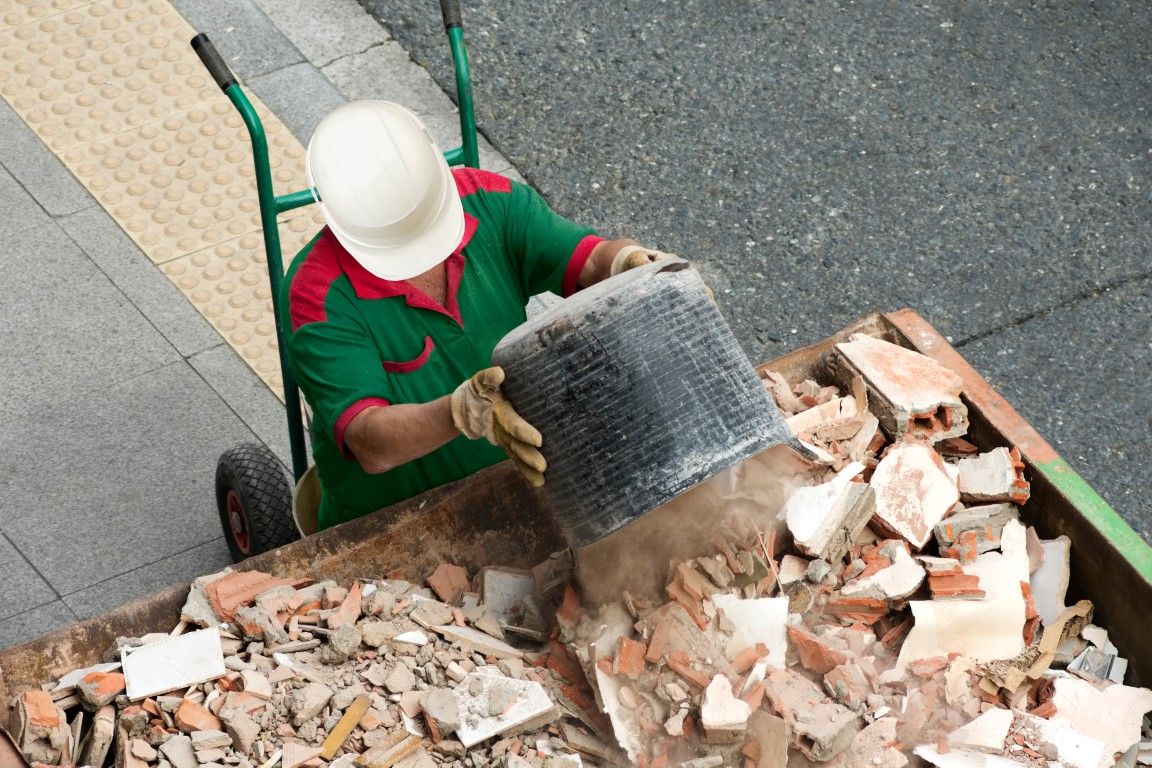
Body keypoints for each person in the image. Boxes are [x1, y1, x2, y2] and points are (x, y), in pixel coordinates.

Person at [280, 101, 676, 531]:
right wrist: (459, 412)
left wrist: (632, 262)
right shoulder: (316, 292)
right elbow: (370, 442)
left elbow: (588, 258)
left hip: (521, 476)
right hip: (391, 522)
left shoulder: (490, 201)